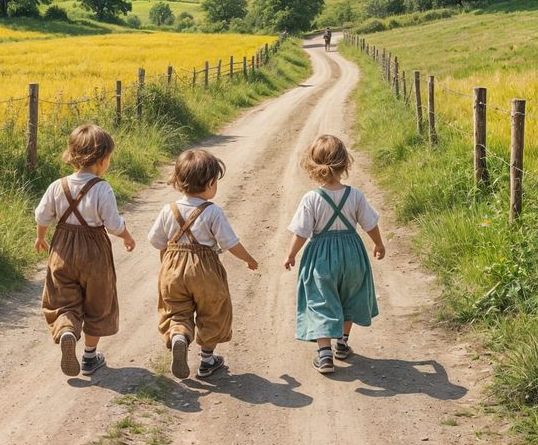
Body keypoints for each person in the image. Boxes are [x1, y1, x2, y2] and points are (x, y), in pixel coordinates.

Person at [147, 149, 259, 379]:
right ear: (210, 183)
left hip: (172, 269)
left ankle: (179, 335)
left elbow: (157, 241)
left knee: (177, 310)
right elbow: (230, 243)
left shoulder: (169, 209)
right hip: (205, 269)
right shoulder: (212, 212)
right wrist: (248, 259)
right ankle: (207, 360)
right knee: (213, 312)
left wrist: (166, 266)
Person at [36, 124, 137, 376]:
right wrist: (126, 235)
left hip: (62, 250)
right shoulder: (103, 189)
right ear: (103, 160)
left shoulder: (57, 186)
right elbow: (113, 224)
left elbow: (42, 215)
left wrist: (41, 238)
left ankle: (68, 331)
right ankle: (90, 357)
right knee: (98, 302)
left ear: (71, 155)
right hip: (94, 253)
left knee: (62, 299)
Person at [284, 134, 386, 374]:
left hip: (321, 256)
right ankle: (342, 343)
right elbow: (370, 223)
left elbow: (301, 232)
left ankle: (325, 354)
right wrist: (379, 244)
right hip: (352, 253)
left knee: (321, 300)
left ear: (312, 166)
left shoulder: (311, 199)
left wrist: (291, 255)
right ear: (345, 164)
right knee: (349, 295)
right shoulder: (356, 195)